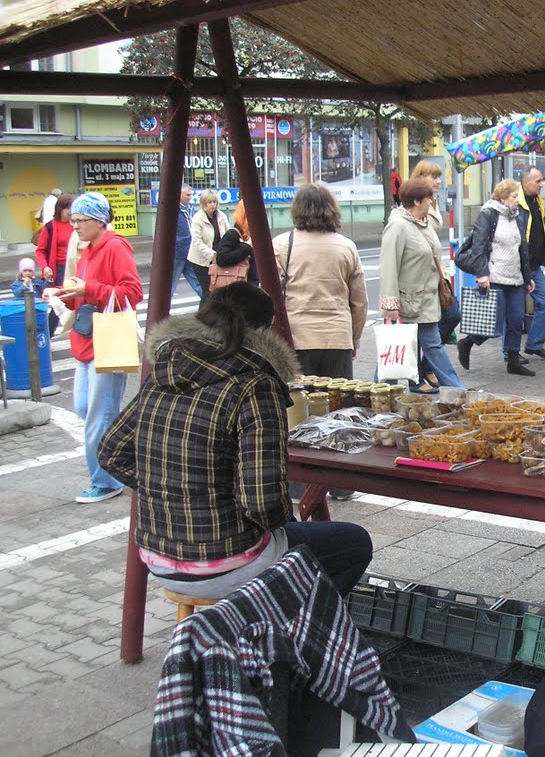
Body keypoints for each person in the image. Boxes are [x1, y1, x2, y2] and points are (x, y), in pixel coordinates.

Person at [98, 282, 373, 599]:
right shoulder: (255, 384)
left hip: (157, 558)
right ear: (266, 331)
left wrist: (173, 488)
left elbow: (111, 453)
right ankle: (285, 629)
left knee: (306, 537)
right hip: (229, 561)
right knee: (354, 542)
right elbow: (261, 502)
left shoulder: (166, 368)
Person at [46, 191, 143, 504]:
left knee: (98, 416)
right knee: (89, 410)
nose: (74, 226)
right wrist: (63, 293)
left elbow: (132, 292)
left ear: (99, 221)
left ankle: (105, 480)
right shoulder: (89, 248)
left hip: (108, 339)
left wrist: (88, 288)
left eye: (80, 220)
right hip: (89, 339)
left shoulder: (114, 246)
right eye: (72, 220)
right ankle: (121, 465)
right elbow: (86, 291)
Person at [273, 184, 368, 379]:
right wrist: (354, 339)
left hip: (296, 338)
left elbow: (269, 296)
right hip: (337, 337)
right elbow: (359, 302)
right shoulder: (347, 247)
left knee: (300, 404)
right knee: (339, 404)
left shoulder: (282, 245)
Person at [379, 178, 465, 388]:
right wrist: (390, 305)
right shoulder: (398, 226)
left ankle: (456, 390)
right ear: (417, 201)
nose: (432, 202)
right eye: (429, 199)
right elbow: (388, 265)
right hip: (408, 302)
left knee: (426, 347)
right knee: (396, 350)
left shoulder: (424, 224)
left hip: (427, 300)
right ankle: (380, 392)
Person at [455, 180, 536, 376]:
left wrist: (528, 277)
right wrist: (482, 274)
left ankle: (513, 360)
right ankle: (467, 342)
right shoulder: (489, 215)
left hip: (515, 277)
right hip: (494, 276)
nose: (518, 200)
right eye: (514, 196)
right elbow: (479, 247)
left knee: (516, 320)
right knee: (492, 322)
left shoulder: (517, 218)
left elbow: (521, 250)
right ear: (502, 197)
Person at [406, 160, 461, 391]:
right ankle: (418, 375)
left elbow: (434, 228)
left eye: (439, 177)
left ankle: (424, 369)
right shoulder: (411, 212)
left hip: (435, 280)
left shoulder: (431, 205)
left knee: (451, 316)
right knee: (419, 333)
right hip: (417, 285)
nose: (438, 181)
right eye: (433, 177)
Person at [518, 166, 545, 360]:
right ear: (526, 183)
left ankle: (534, 344)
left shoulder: (539, 203)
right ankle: (509, 353)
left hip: (534, 266)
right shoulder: (516, 203)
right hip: (517, 267)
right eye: (538, 181)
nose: (542, 184)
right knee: (513, 312)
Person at [188, 190, 230, 298]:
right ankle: (204, 313)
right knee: (208, 291)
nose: (212, 205)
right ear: (203, 204)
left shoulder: (221, 216)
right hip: (201, 260)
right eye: (209, 202)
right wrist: (212, 254)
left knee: (218, 289)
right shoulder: (198, 219)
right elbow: (197, 241)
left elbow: (228, 234)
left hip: (218, 257)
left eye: (214, 202)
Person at [214, 199, 260, 285]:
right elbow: (221, 259)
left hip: (253, 284)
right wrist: (246, 247)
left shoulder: (256, 233)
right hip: (240, 285)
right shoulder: (233, 234)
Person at [170, 184, 202, 297]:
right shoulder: (173, 210)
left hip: (191, 251)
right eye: (187, 195)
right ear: (179, 195)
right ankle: (162, 310)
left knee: (198, 283)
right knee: (170, 285)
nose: (190, 197)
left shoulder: (190, 208)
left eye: (191, 195)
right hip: (178, 253)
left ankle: (209, 305)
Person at [36, 193, 74, 286]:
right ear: (59, 209)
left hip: (74, 266)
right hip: (58, 268)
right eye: (67, 208)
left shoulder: (76, 224)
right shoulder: (49, 226)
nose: (70, 211)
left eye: (72, 208)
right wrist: (45, 267)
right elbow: (40, 251)